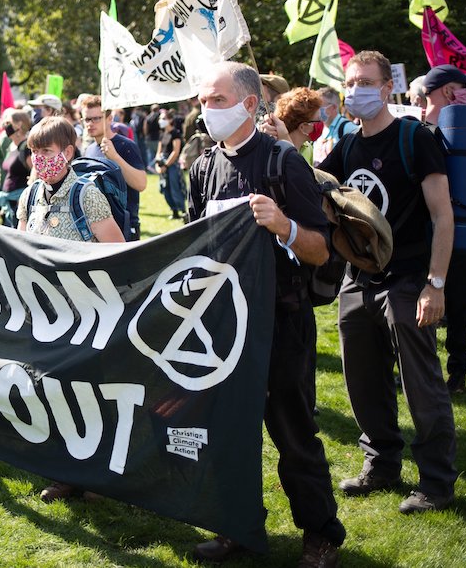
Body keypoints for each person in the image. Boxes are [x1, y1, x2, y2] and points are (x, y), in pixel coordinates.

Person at [188, 62, 344, 567]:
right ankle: (235, 524)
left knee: (293, 434)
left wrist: (284, 226)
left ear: (249, 104)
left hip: (281, 322)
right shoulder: (202, 167)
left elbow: (322, 249)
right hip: (223, 326)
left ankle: (321, 534)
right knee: (229, 431)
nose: (205, 109)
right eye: (203, 100)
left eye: (215, 100)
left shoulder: (283, 162)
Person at [318, 51, 457, 514]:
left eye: (365, 82)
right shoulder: (349, 145)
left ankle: (436, 482)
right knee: (361, 377)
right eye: (350, 81)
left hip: (410, 279)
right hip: (359, 279)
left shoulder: (414, 137)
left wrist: (434, 284)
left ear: (385, 89)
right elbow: (315, 186)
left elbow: (443, 214)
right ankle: (381, 464)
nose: (355, 89)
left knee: (421, 383)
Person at [0, 116, 124, 502]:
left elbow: (117, 251)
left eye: (47, 151)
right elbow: (22, 245)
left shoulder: (86, 195)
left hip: (85, 314)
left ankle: (98, 475)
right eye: (34, 151)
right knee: (52, 391)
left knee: (90, 393)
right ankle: (65, 472)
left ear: (68, 152)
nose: (39, 158)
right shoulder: (28, 196)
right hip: (44, 314)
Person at [416, 64, 466, 394]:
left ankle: (430, 373)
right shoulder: (423, 133)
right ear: (447, 91)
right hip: (464, 233)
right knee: (458, 310)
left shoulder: (414, 132)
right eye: (462, 87)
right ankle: (457, 374)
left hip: (434, 236)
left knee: (436, 308)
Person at [79, 94, 147, 240]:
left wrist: (115, 157)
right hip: (96, 226)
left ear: (110, 119)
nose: (90, 123)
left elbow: (141, 184)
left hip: (124, 224)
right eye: (86, 119)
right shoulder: (89, 149)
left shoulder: (126, 146)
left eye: (96, 118)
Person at [0, 110, 33, 227]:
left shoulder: (26, 148)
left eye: (8, 122)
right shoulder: (13, 147)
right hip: (10, 204)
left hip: (19, 203)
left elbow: (35, 174)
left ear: (19, 125)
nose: (5, 126)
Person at [274, 87, 326, 167]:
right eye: (318, 120)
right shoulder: (276, 152)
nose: (321, 123)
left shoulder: (308, 148)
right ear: (302, 127)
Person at [313, 87, 357, 167]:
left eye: (320, 106)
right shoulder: (318, 128)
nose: (316, 110)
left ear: (333, 107)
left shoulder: (348, 128)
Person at [154, 114, 186, 219]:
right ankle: (174, 211)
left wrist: (166, 165)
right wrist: (158, 165)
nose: (161, 121)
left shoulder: (175, 133)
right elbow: (159, 151)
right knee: (165, 188)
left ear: (170, 120)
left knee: (175, 187)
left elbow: (175, 151)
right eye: (160, 119)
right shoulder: (162, 133)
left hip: (172, 164)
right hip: (162, 162)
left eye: (164, 118)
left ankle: (183, 210)